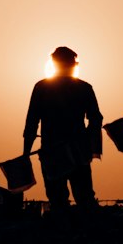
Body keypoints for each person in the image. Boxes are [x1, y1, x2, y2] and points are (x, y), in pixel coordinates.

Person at [23, 47, 103, 212]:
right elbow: (96, 120)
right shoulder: (84, 88)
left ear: (54, 64)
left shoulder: (42, 88)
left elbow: (32, 123)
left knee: (58, 199)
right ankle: (85, 231)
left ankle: (64, 230)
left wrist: (26, 153)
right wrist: (88, 143)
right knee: (84, 197)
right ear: (73, 65)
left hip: (53, 152)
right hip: (77, 151)